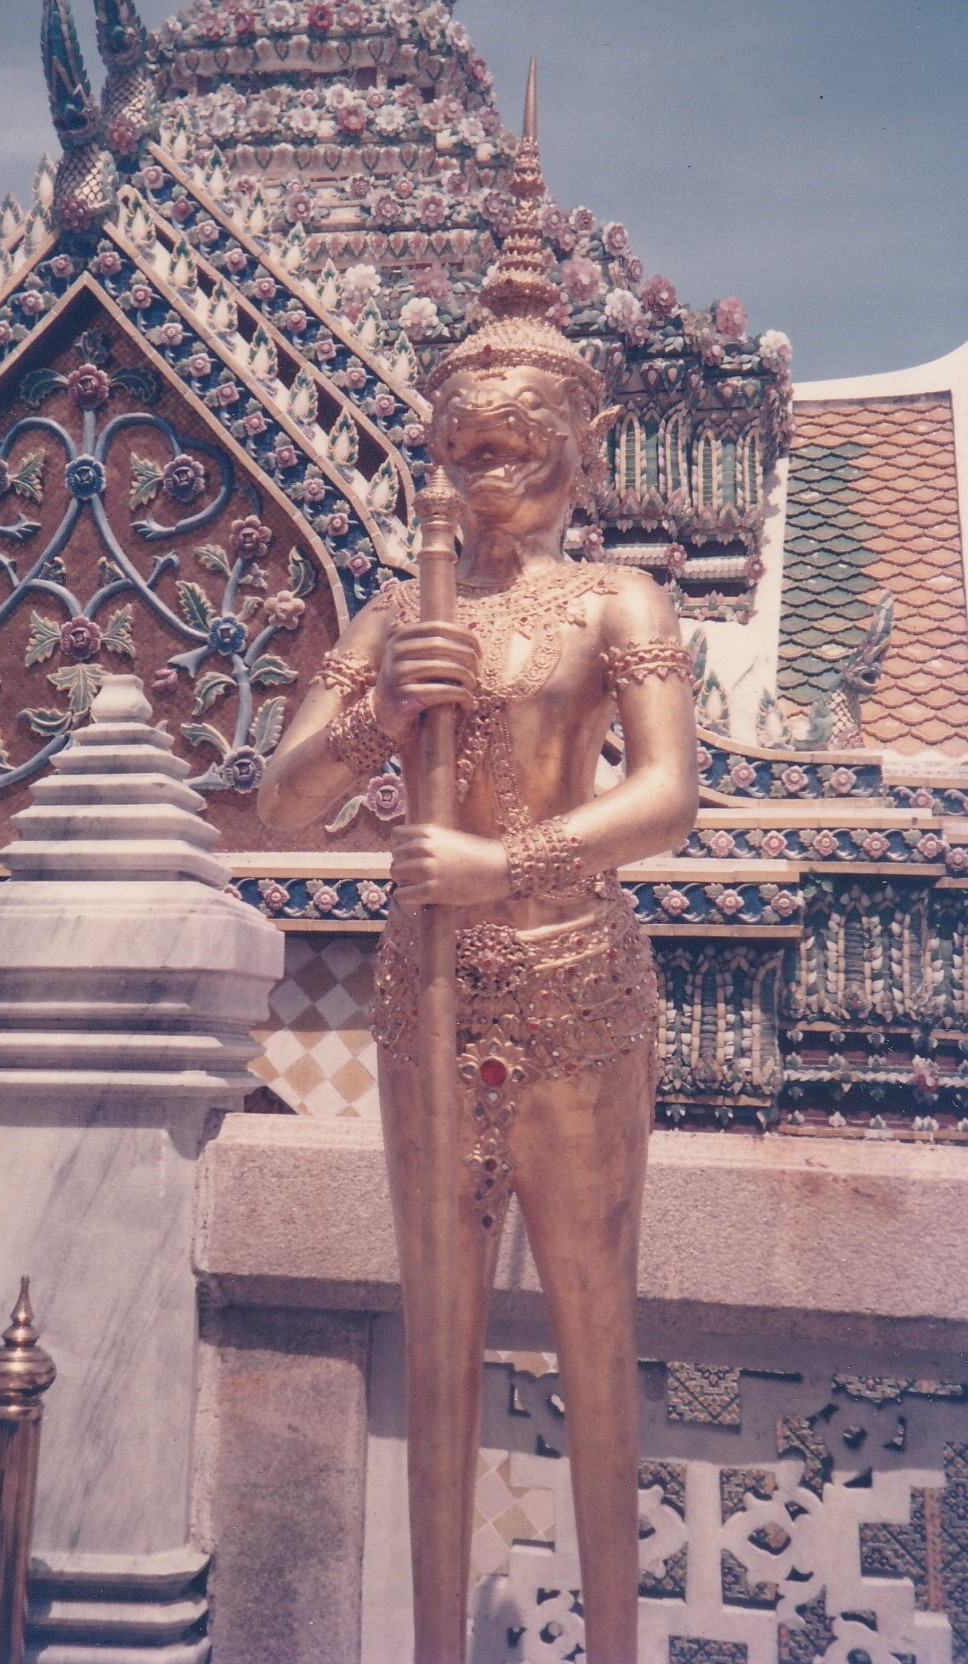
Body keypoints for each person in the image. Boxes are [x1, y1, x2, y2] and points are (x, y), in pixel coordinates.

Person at [258, 67, 699, 1664]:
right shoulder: (404, 610)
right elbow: (279, 809)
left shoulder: (619, 604)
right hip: (425, 993)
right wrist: (384, 709)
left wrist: (502, 861)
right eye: (460, 454)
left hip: (575, 979)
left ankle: (616, 1644)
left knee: (591, 1326)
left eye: (515, 455)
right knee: (435, 1337)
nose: (483, 484)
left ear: (580, 453)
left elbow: (668, 801)